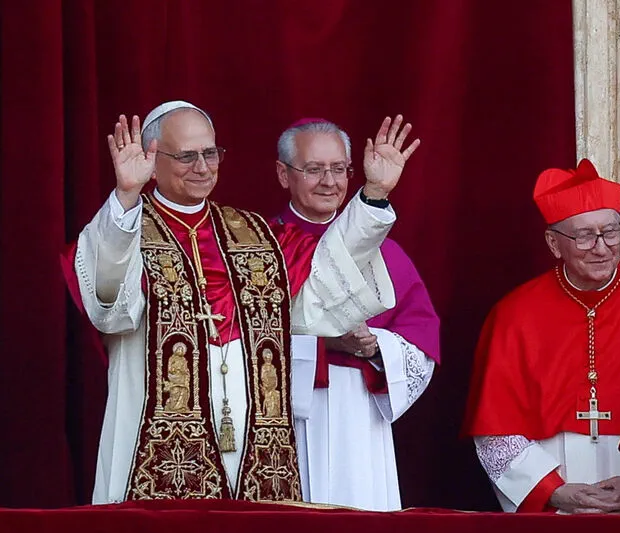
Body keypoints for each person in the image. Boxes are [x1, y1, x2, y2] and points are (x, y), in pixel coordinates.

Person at [71, 100, 420, 503]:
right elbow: (109, 301)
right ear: (151, 159)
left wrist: (374, 195)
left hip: (252, 448)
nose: (202, 167)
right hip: (155, 445)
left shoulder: (255, 235)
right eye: (186, 156)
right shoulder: (125, 227)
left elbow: (326, 283)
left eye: (210, 153)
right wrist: (126, 195)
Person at [462, 159, 620, 513]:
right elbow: (495, 430)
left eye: (611, 232)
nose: (600, 247)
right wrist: (551, 490)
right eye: (584, 236)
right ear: (553, 243)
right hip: (553, 489)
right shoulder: (514, 314)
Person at [271, 118, 440, 511]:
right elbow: (240, 337)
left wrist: (375, 345)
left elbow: (421, 336)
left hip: (359, 416)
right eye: (314, 169)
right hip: (286, 416)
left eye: (339, 169)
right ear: (284, 174)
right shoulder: (261, 247)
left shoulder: (387, 254)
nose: (329, 182)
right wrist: (325, 343)